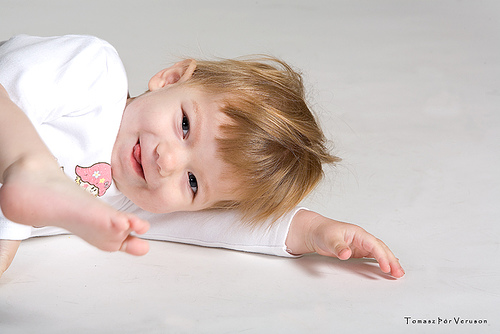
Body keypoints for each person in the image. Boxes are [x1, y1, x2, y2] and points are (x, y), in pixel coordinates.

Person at [0, 35, 404, 279]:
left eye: (193, 183)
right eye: (185, 126)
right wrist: (10, 228)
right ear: (171, 79)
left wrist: (315, 230)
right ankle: (30, 171)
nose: (168, 161)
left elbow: (224, 226)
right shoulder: (94, 73)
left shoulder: (128, 197)